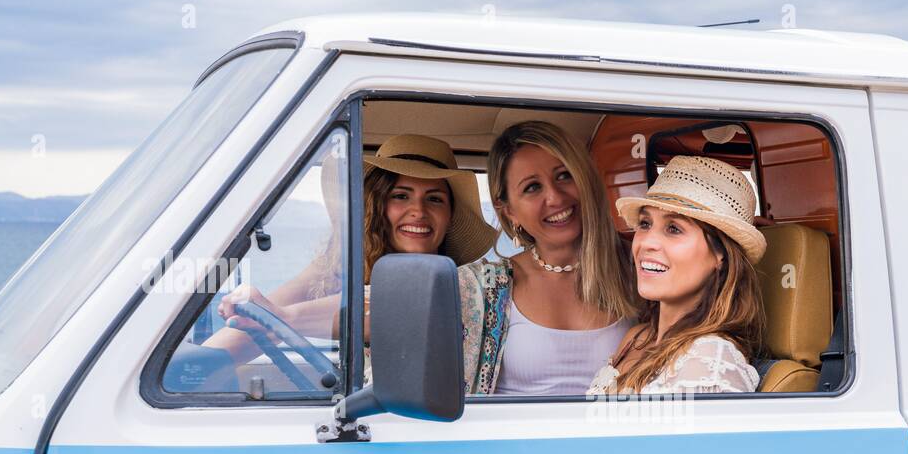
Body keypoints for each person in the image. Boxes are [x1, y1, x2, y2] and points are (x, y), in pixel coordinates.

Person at [213, 134, 497, 380]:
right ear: (375, 205)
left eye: (434, 198)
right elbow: (264, 319)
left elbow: (398, 306)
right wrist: (201, 362)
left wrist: (284, 319)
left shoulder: (462, 282)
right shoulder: (336, 268)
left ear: (449, 217)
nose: (418, 211)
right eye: (400, 195)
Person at [460, 121, 636, 395]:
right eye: (532, 187)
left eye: (564, 175)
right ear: (509, 212)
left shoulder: (642, 268)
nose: (554, 197)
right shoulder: (480, 287)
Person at [587, 155, 766, 395]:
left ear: (719, 255)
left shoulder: (711, 360)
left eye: (674, 228)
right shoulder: (637, 337)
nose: (647, 242)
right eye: (645, 223)